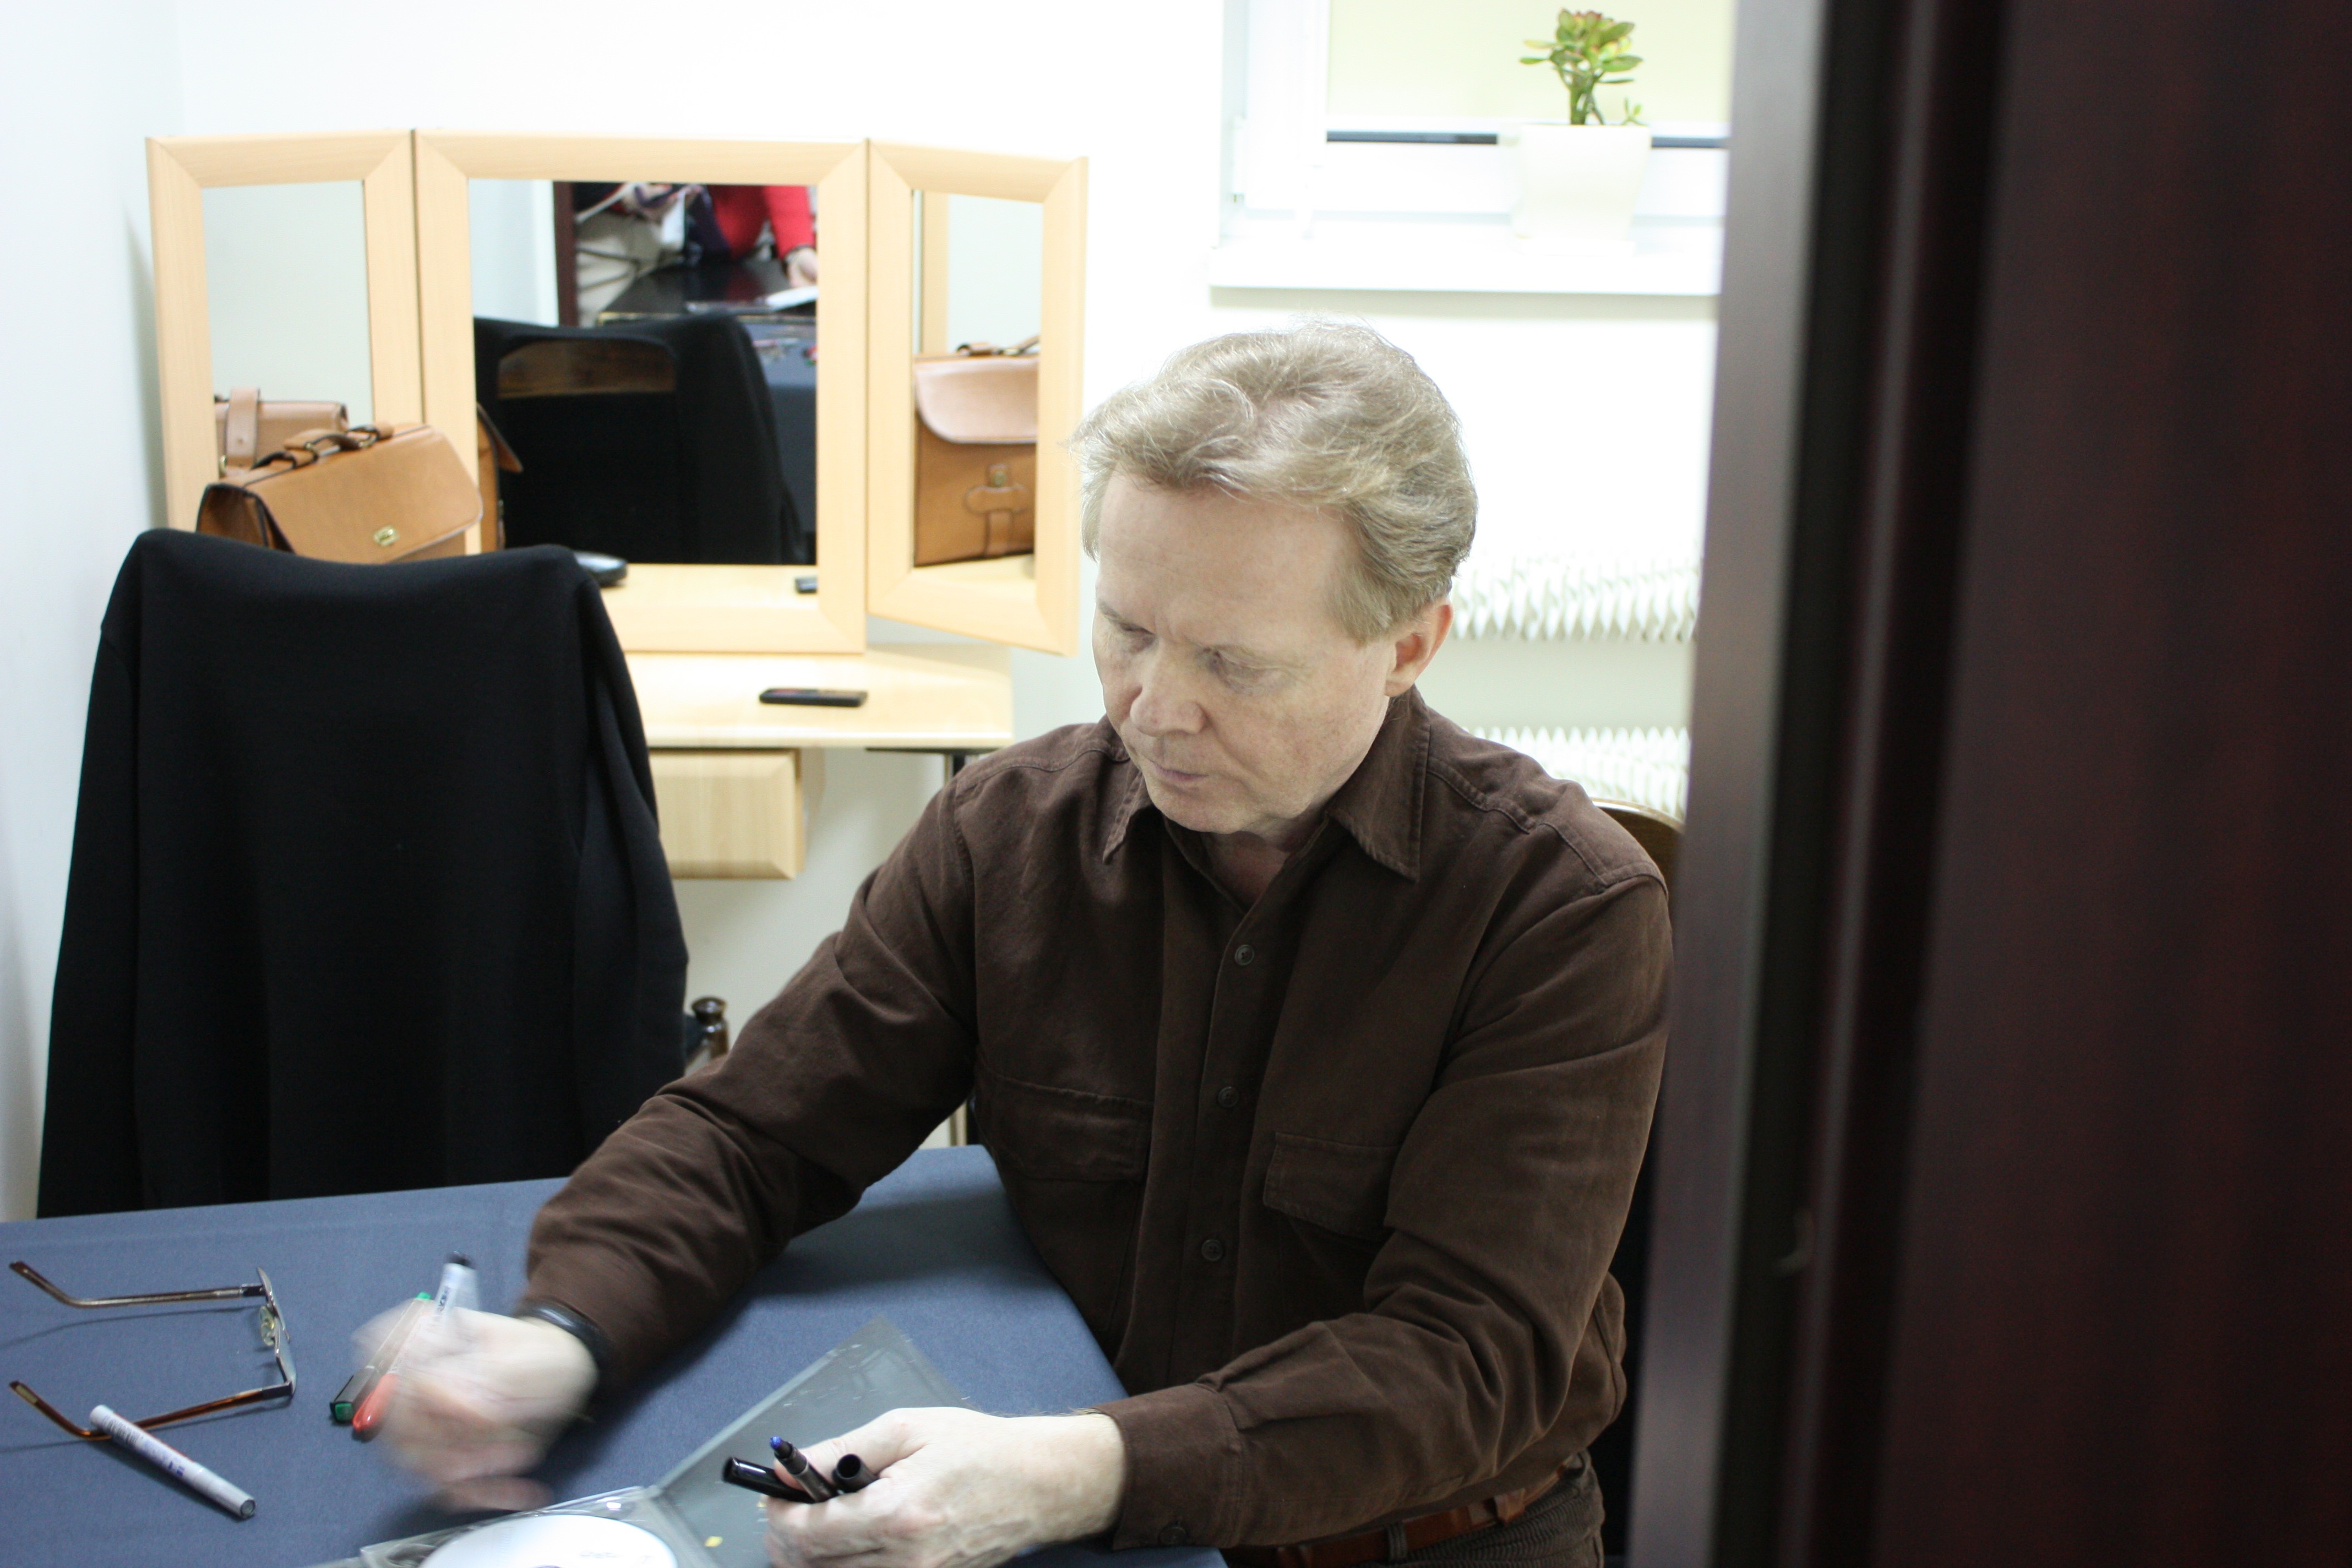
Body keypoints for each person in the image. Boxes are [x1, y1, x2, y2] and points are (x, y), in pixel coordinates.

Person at [363, 322, 1669, 1568]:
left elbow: (1464, 1356)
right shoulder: (1008, 833)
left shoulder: (1561, 908)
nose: (1156, 710)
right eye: (1128, 630)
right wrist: (566, 1330)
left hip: (1429, 1534)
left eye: (1235, 664)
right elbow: (754, 1130)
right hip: (1073, 1499)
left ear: (1409, 645)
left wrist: (1080, 1468)